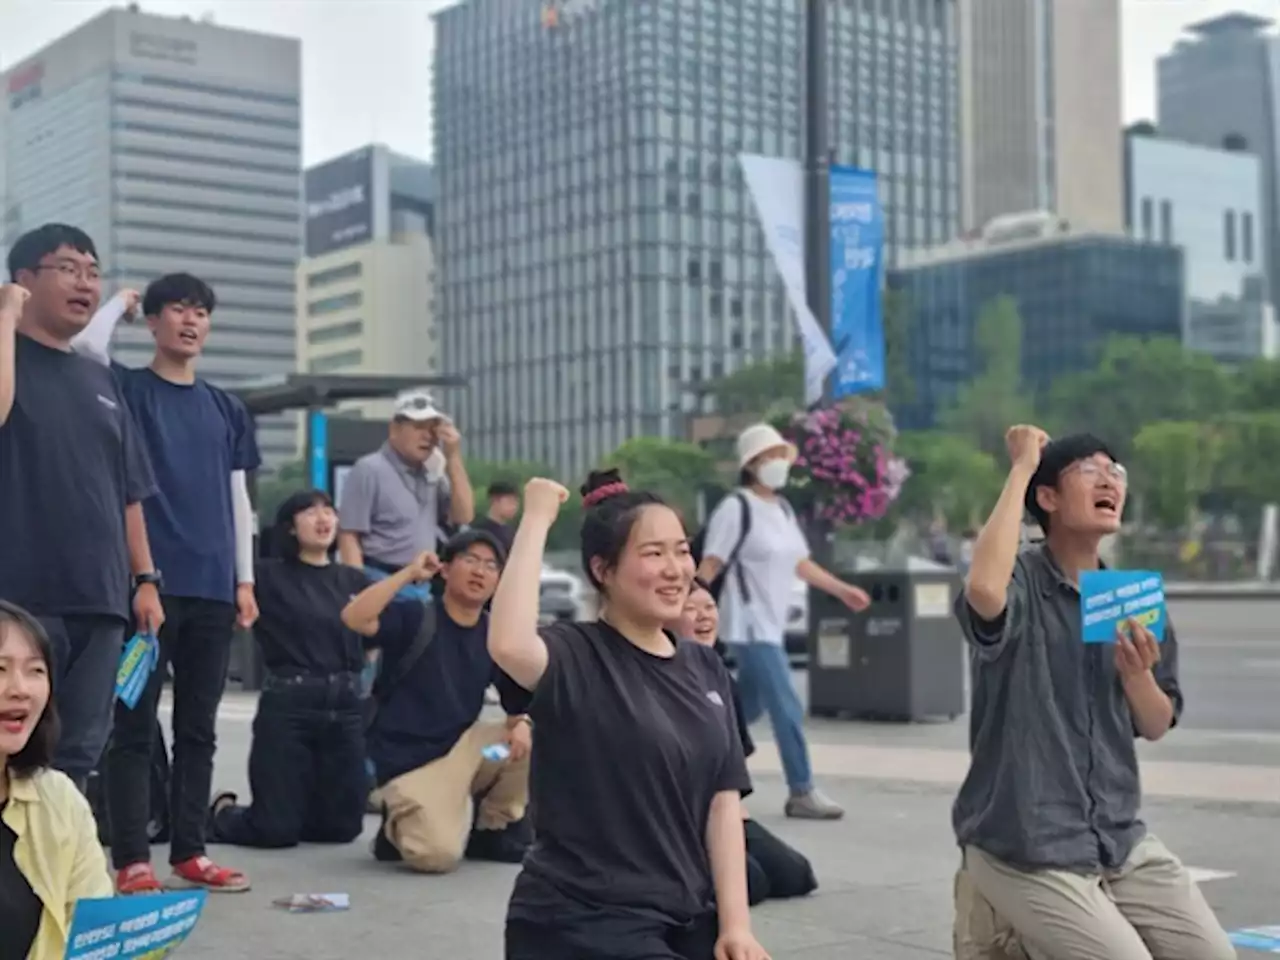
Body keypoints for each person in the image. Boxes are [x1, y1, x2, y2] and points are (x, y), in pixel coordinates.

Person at [954, 426, 1235, 960]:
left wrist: (1136, 677)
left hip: (1118, 837)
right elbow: (983, 592)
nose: (1109, 479)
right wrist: (1021, 466)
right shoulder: (1021, 582)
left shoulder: (1129, 598)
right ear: (1048, 498)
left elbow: (1155, 722)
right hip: (1025, 842)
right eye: (1089, 469)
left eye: (1115, 471)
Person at [489, 470, 770, 960]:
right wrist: (535, 520)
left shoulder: (704, 665)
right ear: (603, 570)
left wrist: (737, 927)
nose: (676, 568)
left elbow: (722, 804)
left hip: (685, 916)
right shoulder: (575, 655)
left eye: (682, 551)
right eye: (653, 553)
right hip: (580, 920)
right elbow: (509, 644)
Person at [70, 273, 259, 894]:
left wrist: (245, 581)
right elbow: (89, 349)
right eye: (177, 309)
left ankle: (190, 852)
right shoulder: (127, 389)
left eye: (201, 311)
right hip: (145, 586)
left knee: (199, 730)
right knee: (133, 728)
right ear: (153, 322)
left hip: (211, 589)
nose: (191, 320)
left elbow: (240, 500)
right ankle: (131, 860)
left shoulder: (227, 407)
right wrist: (119, 301)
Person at [0, 224, 162, 793]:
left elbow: (128, 490)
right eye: (68, 268)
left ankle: (53, 880)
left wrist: (145, 580)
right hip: (16, 597)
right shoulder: (7, 357)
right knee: (8, 751)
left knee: (75, 758)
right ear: (23, 279)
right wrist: (5, 316)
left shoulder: (101, 379)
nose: (86, 283)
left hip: (99, 599)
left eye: (94, 273)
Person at [695, 423, 869, 821]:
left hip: (771, 624)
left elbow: (799, 563)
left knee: (744, 709)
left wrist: (842, 590)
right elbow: (711, 563)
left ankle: (699, 767)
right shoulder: (735, 508)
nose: (776, 463)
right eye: (768, 456)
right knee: (786, 705)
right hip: (749, 624)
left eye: (779, 455)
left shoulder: (783, 509)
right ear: (750, 464)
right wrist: (684, 609)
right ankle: (801, 790)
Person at [342, 529, 532, 873]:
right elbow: (355, 617)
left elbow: (518, 700)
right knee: (436, 856)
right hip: (410, 764)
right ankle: (397, 826)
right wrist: (407, 575)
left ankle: (492, 829)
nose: (480, 571)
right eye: (470, 560)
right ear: (445, 570)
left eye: (490, 566)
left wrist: (522, 724)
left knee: (525, 741)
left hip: (467, 754)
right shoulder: (416, 616)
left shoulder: (492, 633)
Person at [208, 490, 369, 852]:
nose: (322, 518)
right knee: (274, 832)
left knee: (341, 829)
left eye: (328, 510)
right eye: (310, 512)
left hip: (344, 709)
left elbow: (374, 637)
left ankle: (299, 805)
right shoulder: (266, 577)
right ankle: (222, 811)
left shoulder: (353, 581)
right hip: (289, 706)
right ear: (291, 527)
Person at [670, 580, 817, 908]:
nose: (703, 617)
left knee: (797, 875)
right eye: (690, 609)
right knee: (751, 884)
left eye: (708, 607)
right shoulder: (656, 679)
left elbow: (735, 761)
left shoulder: (721, 678)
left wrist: (736, 816)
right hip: (675, 818)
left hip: (721, 809)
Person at [0, 600, 113, 959]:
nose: (20, 689)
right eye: (0, 668)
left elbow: (92, 933)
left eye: (36, 670)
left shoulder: (59, 800)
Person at [337, 389, 476, 596]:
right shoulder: (369, 469)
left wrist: (453, 457)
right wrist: (358, 593)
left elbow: (464, 515)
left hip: (422, 586)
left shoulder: (432, 470)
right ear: (395, 429)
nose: (428, 436)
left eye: (433, 429)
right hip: (380, 581)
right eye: (419, 427)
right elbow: (349, 535)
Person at [471, 480, 520, 556]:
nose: (514, 507)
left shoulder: (512, 532)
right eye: (510, 501)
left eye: (516, 502)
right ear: (494, 500)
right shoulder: (478, 530)